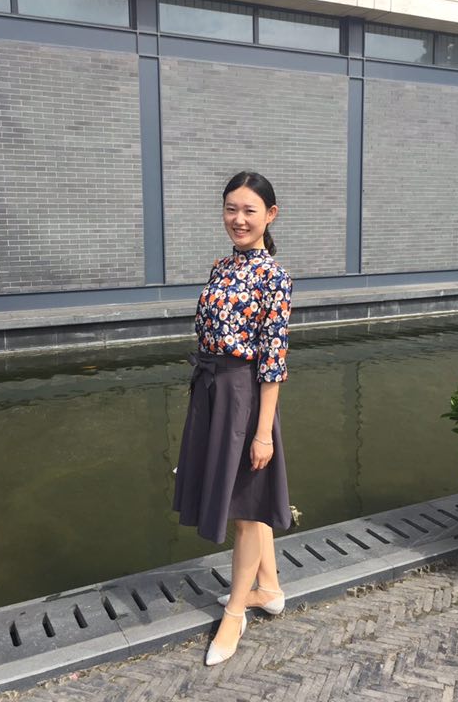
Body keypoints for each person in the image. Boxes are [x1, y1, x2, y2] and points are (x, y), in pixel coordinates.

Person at [172, 170, 294, 666]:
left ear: (270, 215)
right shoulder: (221, 267)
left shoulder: (274, 276)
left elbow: (273, 361)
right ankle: (270, 589)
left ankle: (235, 614)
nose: (238, 219)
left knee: (244, 505)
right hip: (211, 390)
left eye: (249, 210)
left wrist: (263, 432)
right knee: (251, 499)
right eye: (231, 208)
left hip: (244, 395)